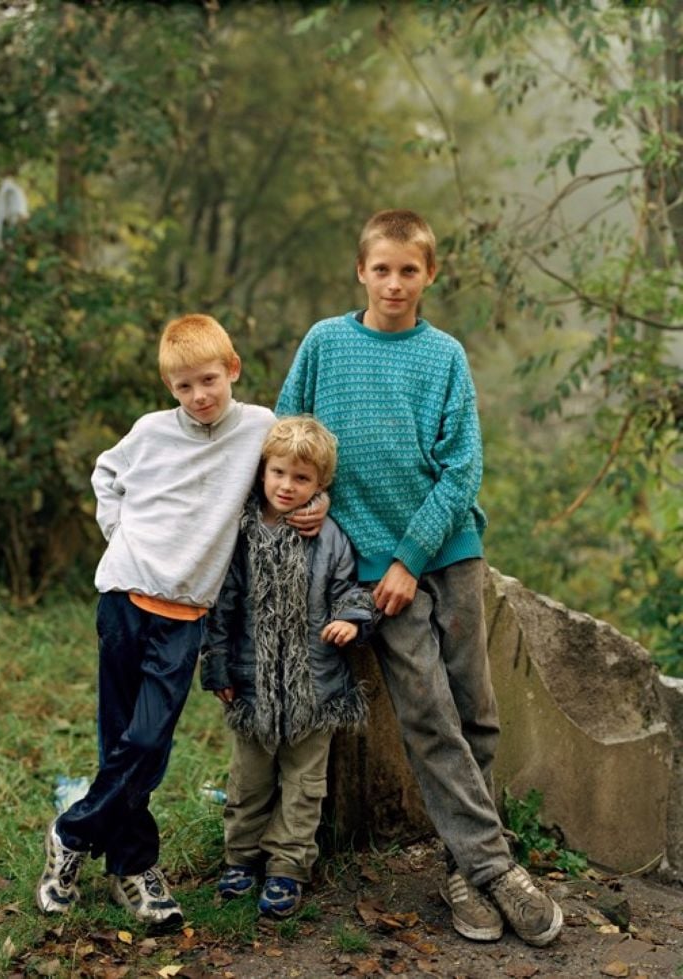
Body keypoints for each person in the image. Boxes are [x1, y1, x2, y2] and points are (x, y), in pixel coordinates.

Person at [275, 209, 563, 948]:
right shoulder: (325, 344)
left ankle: (462, 867)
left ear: (429, 274)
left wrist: (414, 556)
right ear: (361, 272)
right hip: (370, 568)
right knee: (428, 710)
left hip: (448, 552)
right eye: (382, 268)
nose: (395, 282)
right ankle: (497, 867)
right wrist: (313, 502)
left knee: (477, 710)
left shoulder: (444, 356)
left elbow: (462, 467)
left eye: (410, 269)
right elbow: (287, 433)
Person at [35, 314, 324, 925]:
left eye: (209, 381)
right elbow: (105, 474)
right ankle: (134, 871)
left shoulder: (258, 427)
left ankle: (71, 831)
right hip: (124, 596)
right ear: (171, 389)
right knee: (120, 737)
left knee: (148, 743)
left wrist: (315, 499)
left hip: (187, 611)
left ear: (233, 370)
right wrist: (119, 534)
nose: (199, 396)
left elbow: (292, 466)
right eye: (184, 387)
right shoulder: (150, 432)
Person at [200, 415, 377, 919]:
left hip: (316, 688)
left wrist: (350, 619)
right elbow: (223, 607)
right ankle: (240, 858)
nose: (287, 486)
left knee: (304, 785)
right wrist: (219, 669)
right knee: (248, 780)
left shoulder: (330, 538)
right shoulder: (241, 535)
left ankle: (287, 868)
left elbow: (349, 589)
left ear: (320, 485)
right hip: (252, 683)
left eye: (301, 479)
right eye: (278, 473)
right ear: (262, 472)